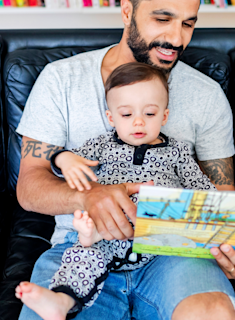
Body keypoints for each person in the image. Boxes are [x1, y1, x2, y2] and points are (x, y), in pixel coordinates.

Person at [15, 0, 235, 320]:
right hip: (84, 245)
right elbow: (30, 186)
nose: (176, 39)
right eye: (163, 19)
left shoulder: (206, 95)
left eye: (188, 23)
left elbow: (219, 197)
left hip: (176, 251)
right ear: (127, 11)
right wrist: (89, 199)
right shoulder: (60, 80)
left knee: (212, 313)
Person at [16, 62, 220, 320]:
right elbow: (67, 170)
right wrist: (62, 158)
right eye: (126, 115)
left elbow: (203, 188)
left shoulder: (177, 151)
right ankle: (62, 300)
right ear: (111, 117)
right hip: (107, 233)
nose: (138, 122)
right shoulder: (101, 145)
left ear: (164, 116)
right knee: (84, 256)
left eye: (149, 114)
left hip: (160, 240)